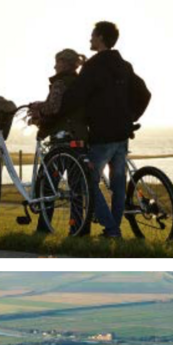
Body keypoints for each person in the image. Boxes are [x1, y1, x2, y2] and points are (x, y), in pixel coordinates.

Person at [58, 21, 151, 238]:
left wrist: (52, 111)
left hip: (102, 136)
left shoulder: (94, 67)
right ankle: (113, 230)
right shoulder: (123, 65)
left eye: (92, 35)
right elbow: (145, 94)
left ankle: (112, 228)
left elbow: (75, 96)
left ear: (100, 37)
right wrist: (130, 117)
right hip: (122, 134)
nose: (90, 39)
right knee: (118, 186)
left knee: (87, 181)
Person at [27, 49, 88, 141]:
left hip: (63, 133)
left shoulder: (60, 83)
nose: (54, 67)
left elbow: (53, 108)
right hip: (80, 133)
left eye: (57, 63)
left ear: (64, 64)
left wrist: (37, 106)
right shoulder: (79, 82)